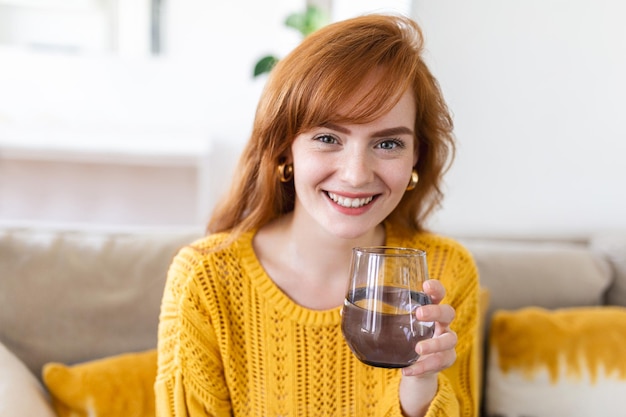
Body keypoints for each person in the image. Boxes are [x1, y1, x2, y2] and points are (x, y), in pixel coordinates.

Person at [155, 13, 480, 417]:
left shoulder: (446, 273)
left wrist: (419, 394)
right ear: (284, 150)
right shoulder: (204, 280)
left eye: (389, 143)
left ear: (417, 157)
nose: (356, 174)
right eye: (328, 138)